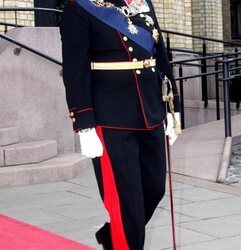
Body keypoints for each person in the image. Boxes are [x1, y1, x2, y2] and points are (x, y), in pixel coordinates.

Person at [60, 0, 181, 249]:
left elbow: (160, 54)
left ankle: (111, 236)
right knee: (127, 203)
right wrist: (84, 123)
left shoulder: (141, 2)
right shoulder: (80, 6)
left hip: (150, 109)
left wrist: (173, 107)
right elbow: (75, 69)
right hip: (110, 115)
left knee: (154, 187)